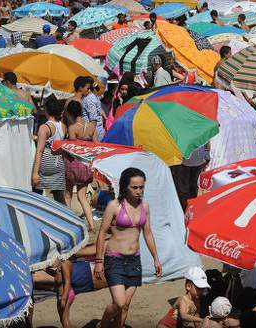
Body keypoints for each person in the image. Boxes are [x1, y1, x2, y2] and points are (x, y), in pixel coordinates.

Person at [94, 167, 162, 328]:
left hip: (134, 261)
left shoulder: (144, 206)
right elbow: (102, 233)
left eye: (141, 187)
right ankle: (102, 325)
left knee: (125, 306)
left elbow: (148, 234)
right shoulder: (114, 205)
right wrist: (99, 261)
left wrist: (156, 259)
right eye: (135, 187)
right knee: (119, 302)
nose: (139, 191)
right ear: (125, 187)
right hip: (114, 260)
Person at [63, 101, 97, 232]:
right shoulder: (91, 126)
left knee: (68, 195)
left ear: (70, 113)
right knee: (82, 197)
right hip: (86, 165)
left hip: (73, 165)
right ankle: (92, 224)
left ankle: (68, 223)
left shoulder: (72, 128)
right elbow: (96, 145)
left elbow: (72, 149)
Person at [31, 96, 67, 205]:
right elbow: (54, 141)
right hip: (58, 163)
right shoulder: (63, 126)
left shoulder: (44, 127)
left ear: (46, 110)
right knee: (59, 198)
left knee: (36, 196)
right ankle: (66, 219)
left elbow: (40, 151)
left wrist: (35, 173)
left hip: (45, 164)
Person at [170, 144, 209, 212]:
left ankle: (187, 212)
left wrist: (206, 152)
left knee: (187, 189)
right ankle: (187, 211)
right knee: (187, 190)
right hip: (185, 159)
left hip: (191, 160)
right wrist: (206, 152)